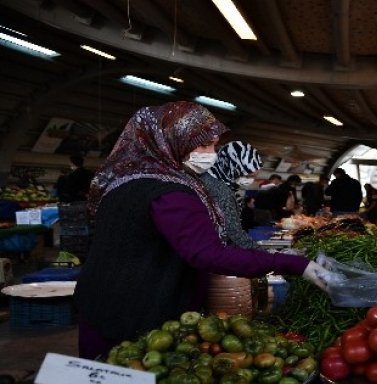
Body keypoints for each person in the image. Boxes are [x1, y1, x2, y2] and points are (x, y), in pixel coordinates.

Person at [73, 101, 330, 360]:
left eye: (214, 145)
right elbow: (207, 254)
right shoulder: (172, 194)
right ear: (171, 142)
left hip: (99, 303)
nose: (212, 153)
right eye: (204, 145)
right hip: (140, 313)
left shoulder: (122, 182)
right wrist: (294, 264)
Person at [199, 140, 263, 249]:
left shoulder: (209, 177)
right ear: (233, 168)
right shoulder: (221, 191)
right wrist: (264, 255)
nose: (250, 180)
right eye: (247, 175)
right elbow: (233, 233)